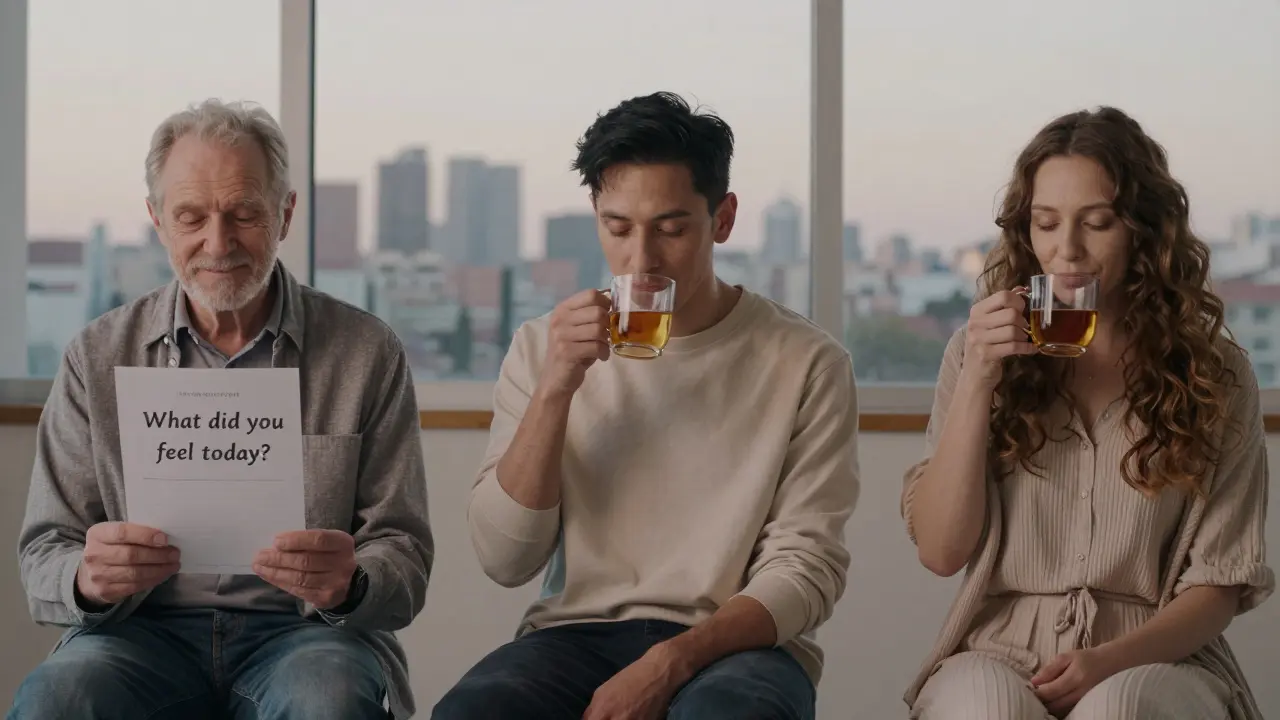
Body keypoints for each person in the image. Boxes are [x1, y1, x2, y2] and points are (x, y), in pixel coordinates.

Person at [431, 91, 860, 720]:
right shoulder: (541, 348)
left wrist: (675, 659)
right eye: (619, 228)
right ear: (596, 216)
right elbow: (505, 560)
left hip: (738, 645)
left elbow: (807, 567)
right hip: (572, 635)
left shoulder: (807, 362)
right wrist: (556, 388)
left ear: (724, 219)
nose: (641, 260)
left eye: (672, 228)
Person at [8, 99, 433, 720]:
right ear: (157, 220)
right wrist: (85, 577)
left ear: (285, 215)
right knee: (56, 697)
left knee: (328, 699)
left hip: (307, 634)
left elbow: (404, 549)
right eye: (191, 216)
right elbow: (45, 548)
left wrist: (355, 581)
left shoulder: (367, 352)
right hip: (137, 634)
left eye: (244, 214)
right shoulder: (96, 356)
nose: (218, 242)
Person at [902, 106, 1273, 719]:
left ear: (1144, 230)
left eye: (1096, 223)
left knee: (1118, 710)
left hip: (1158, 655)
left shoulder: (1219, 375)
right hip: (999, 647)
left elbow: (1219, 584)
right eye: (1046, 224)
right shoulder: (976, 356)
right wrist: (977, 384)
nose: (1066, 250)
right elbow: (941, 554)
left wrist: (1108, 661)